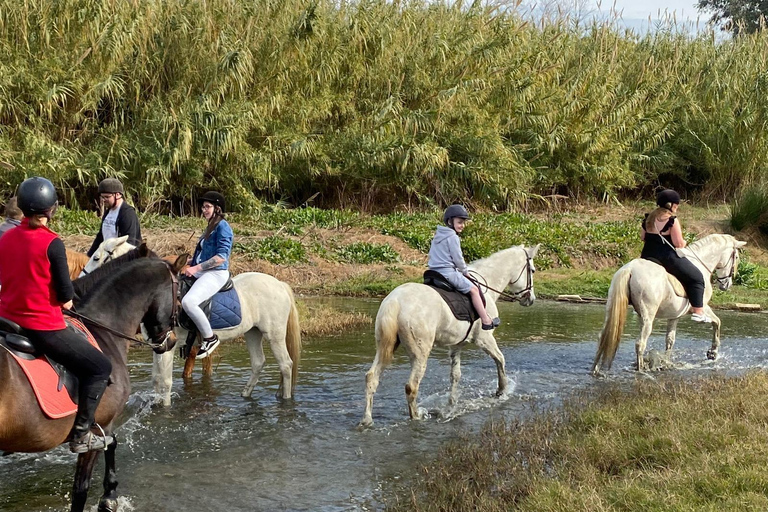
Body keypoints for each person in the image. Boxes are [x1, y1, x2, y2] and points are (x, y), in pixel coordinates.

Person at [0, 177, 113, 452]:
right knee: (100, 368)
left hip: (6, 318)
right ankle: (82, 434)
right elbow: (64, 295)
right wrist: (66, 303)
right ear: (51, 209)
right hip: (40, 326)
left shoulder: (6, 237)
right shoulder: (52, 243)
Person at [640, 189, 711, 323]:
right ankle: (698, 312)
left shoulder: (648, 218)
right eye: (676, 204)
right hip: (666, 258)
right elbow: (678, 244)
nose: (677, 207)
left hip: (647, 256)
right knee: (696, 278)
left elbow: (642, 237)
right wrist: (684, 242)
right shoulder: (671, 220)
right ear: (671, 205)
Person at [428, 204, 500, 330]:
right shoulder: (452, 237)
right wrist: (465, 272)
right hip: (448, 273)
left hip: (432, 272)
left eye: (463, 223)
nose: (462, 225)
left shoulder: (438, 235)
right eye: (459, 222)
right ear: (450, 222)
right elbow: (458, 259)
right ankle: (486, 320)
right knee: (474, 290)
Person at [181, 191, 234, 359]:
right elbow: (206, 252)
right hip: (204, 270)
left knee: (188, 302)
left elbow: (221, 258)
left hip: (216, 273)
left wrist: (196, 269)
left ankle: (210, 338)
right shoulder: (210, 225)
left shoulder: (223, 226)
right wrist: (192, 261)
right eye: (203, 207)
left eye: (207, 207)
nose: (204, 210)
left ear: (217, 209)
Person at [86, 178, 142, 257]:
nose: (103, 200)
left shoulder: (127, 214)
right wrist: (88, 256)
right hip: (107, 255)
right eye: (102, 197)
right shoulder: (108, 212)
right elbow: (101, 237)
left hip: (122, 259)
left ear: (118, 195)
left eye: (107, 197)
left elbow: (129, 242)